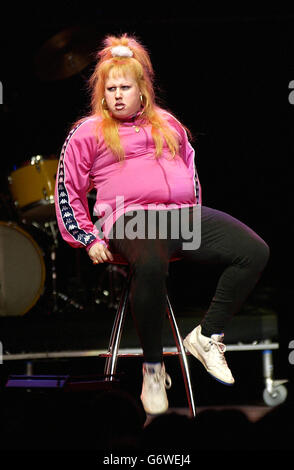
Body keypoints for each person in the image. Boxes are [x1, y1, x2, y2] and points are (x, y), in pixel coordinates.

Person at [55, 34, 269, 415]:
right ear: (103, 94)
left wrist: (193, 220)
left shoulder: (168, 123)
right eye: (112, 89)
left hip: (180, 218)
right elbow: (68, 191)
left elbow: (191, 175)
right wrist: (87, 238)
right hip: (128, 219)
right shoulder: (87, 131)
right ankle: (153, 368)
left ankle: (207, 335)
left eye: (126, 87)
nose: (118, 95)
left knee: (253, 250)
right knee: (150, 260)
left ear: (143, 91)